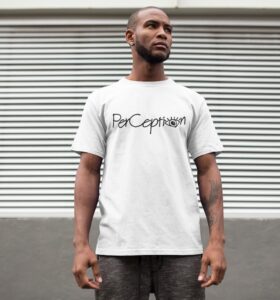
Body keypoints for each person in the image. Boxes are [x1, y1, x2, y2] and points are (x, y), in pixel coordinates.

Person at [71, 6, 227, 300]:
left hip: (182, 249)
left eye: (168, 29)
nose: (162, 34)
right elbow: (88, 171)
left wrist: (217, 241)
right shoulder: (102, 100)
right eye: (152, 26)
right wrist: (81, 245)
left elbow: (208, 170)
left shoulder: (191, 101)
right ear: (130, 36)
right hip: (118, 248)